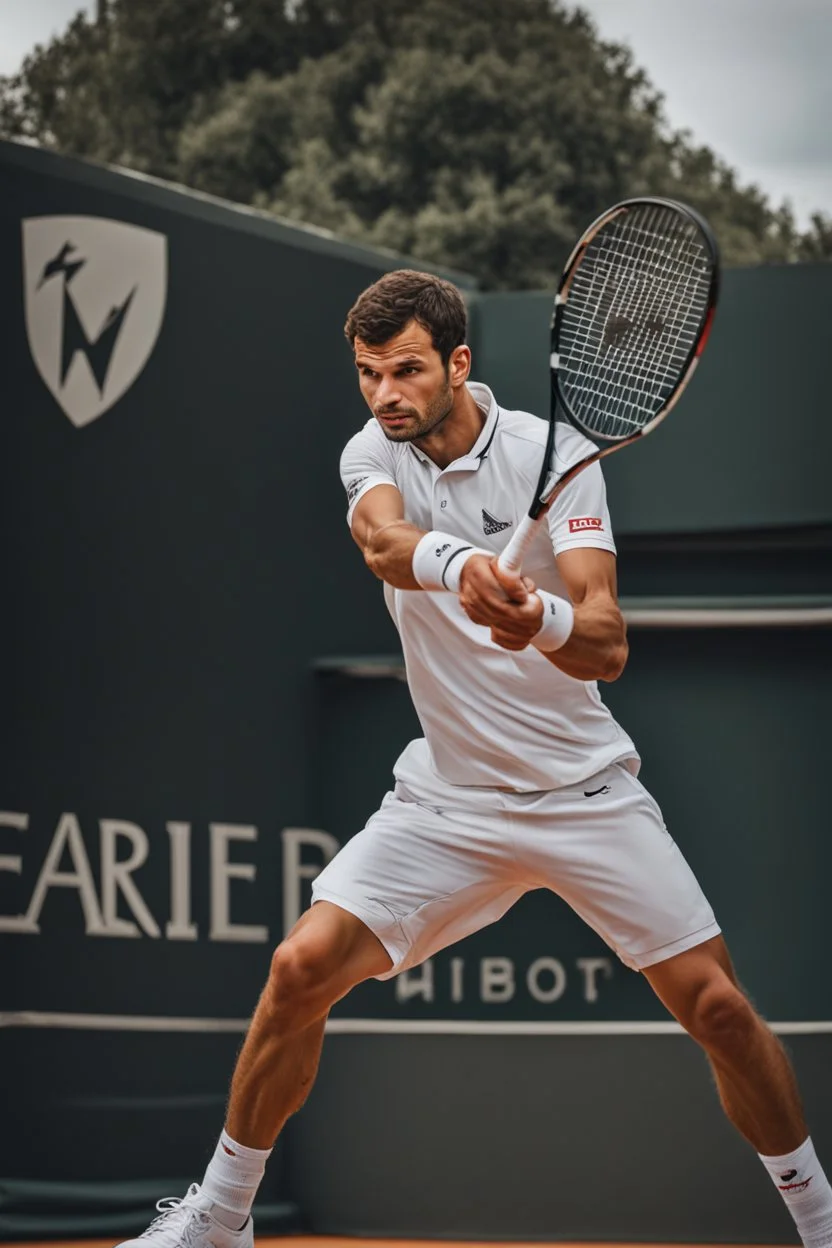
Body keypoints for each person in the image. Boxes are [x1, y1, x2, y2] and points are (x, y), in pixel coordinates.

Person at [120, 270, 832, 1248]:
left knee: (716, 1007)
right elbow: (380, 541)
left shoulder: (562, 456)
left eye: (405, 370)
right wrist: (461, 568)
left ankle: (821, 1221)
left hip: (583, 796)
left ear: (458, 363)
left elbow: (606, 642)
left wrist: (533, 615)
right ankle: (219, 1217)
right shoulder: (371, 451)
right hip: (446, 804)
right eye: (368, 374)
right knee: (298, 969)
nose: (384, 394)